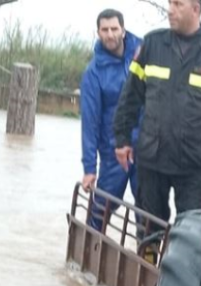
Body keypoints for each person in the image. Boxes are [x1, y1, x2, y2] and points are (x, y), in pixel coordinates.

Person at [112, 0, 201, 225]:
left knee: (192, 231)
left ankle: (183, 261)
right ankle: (148, 260)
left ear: (196, 9)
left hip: (194, 166)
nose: (170, 9)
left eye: (177, 4)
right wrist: (122, 140)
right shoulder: (152, 45)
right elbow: (130, 96)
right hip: (152, 159)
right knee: (149, 230)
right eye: (169, 3)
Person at [80, 10, 143, 231]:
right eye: (105, 30)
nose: (110, 35)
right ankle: (86, 252)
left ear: (123, 30)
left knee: (148, 209)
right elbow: (90, 122)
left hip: (146, 148)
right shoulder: (93, 72)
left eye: (114, 29)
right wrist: (89, 168)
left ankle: (147, 259)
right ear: (98, 33)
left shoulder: (143, 55)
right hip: (114, 151)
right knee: (103, 205)